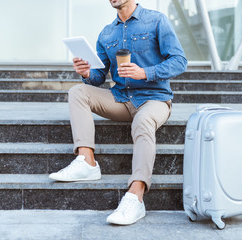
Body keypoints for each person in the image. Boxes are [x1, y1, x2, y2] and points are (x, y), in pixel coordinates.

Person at [49, 0, 187, 225]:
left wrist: (145, 72)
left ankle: (136, 196)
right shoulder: (107, 33)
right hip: (121, 98)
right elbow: (98, 77)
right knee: (77, 92)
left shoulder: (156, 21)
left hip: (155, 99)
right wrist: (86, 72)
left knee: (143, 121)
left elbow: (180, 61)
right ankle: (87, 161)